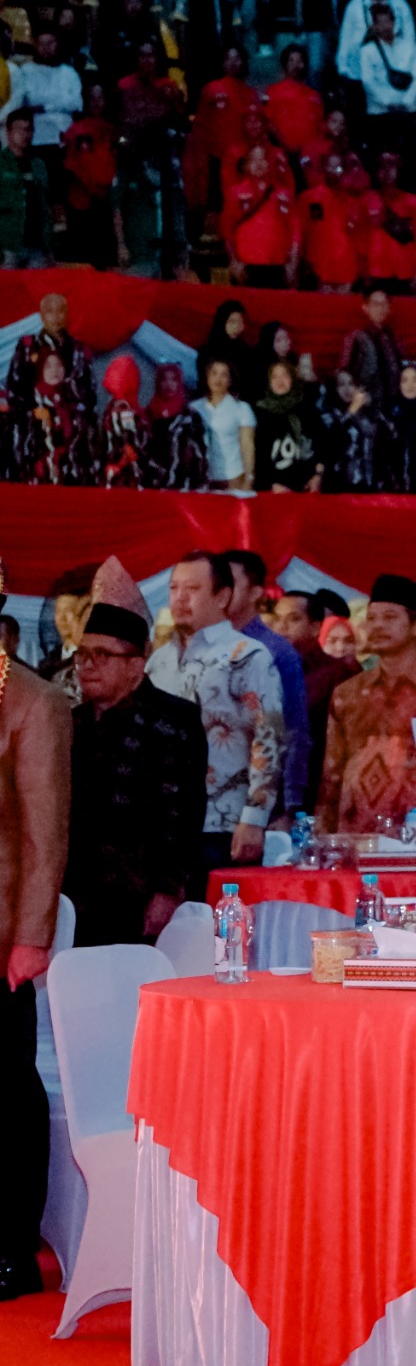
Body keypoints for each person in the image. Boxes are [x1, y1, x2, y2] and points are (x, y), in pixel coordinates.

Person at [65, 572, 202, 945]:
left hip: (139, 893)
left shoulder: (174, 720)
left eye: (102, 655)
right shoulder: (72, 721)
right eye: (83, 655)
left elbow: (182, 814)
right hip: (75, 890)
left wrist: (167, 890)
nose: (87, 666)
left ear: (135, 665)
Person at [0, 555, 68, 1301]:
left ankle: (13, 1247)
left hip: (3, 931)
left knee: (6, 1093)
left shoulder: (31, 701)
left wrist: (32, 936)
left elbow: (46, 837)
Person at [148, 551, 285, 873]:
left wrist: (254, 817)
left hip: (222, 821)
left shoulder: (247, 655)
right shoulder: (159, 659)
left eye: (192, 589)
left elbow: (270, 736)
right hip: (160, 821)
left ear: (222, 596)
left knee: (216, 918)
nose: (180, 598)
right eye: (174, 589)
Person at [317, 574, 416, 838]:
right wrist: (324, 835)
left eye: (390, 617)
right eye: (371, 619)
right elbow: (332, 776)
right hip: (355, 839)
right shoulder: (347, 693)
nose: (378, 626)